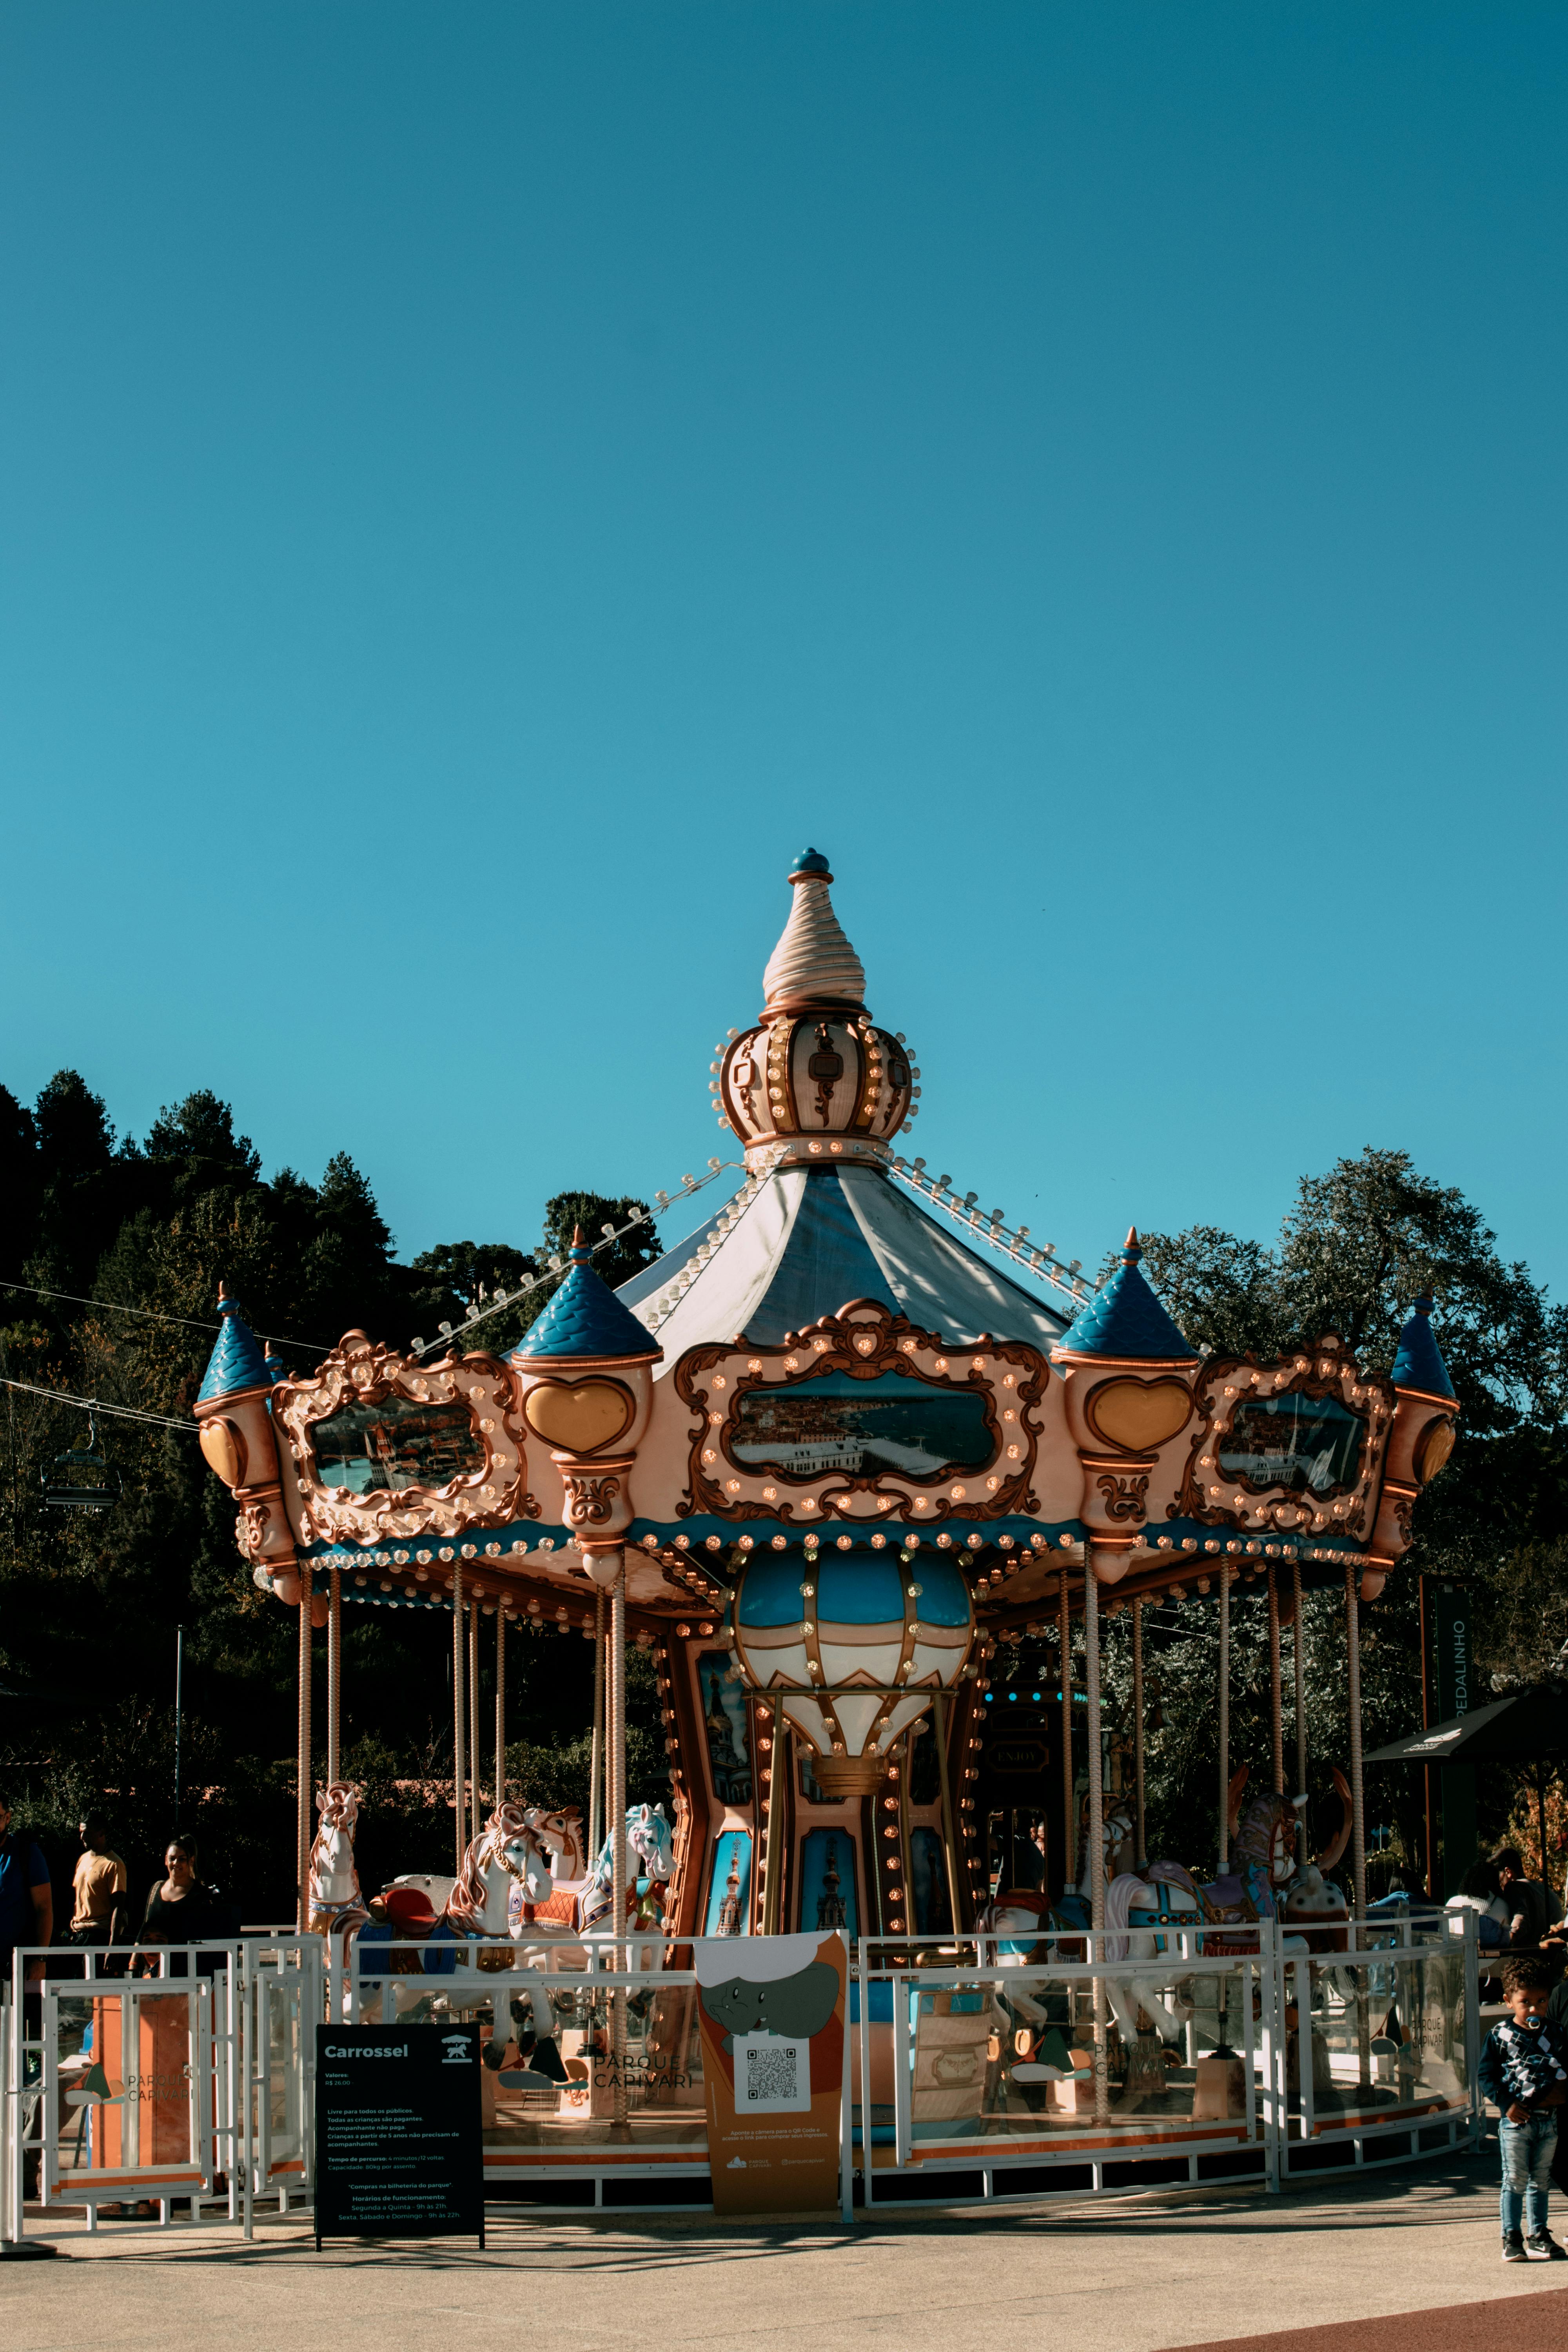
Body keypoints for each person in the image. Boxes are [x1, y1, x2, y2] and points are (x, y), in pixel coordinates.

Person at [1478, 1955, 1568, 2261]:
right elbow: (1486, 2075)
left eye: (1541, 2001)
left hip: (1549, 2121)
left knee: (1540, 2179)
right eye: (1525, 2002)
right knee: (1515, 2178)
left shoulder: (1555, 2033)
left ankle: (1539, 2234)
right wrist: (1506, 2105)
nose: (1534, 2009)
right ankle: (1511, 2237)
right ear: (1508, 2001)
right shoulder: (1500, 2035)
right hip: (1517, 2121)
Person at [134, 1836, 232, 1974]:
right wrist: (134, 1959)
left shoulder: (202, 1895)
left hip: (188, 1970)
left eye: (182, 1859)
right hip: (154, 1970)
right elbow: (145, 1925)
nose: (176, 1863)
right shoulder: (156, 1887)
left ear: (191, 1861)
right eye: (172, 1858)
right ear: (166, 1859)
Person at [0, 1791, 52, 1984]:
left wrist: (40, 1959)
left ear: (8, 1818)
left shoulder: (26, 1853)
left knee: (16, 2015)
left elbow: (44, 1908)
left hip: (15, 1969)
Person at [68, 1814, 129, 1949]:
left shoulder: (114, 1864)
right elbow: (78, 1900)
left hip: (99, 1935)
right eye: (81, 1833)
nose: (82, 1837)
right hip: (78, 1934)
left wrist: (113, 1947)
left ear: (101, 1833)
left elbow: (118, 1907)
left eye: (87, 1833)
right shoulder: (82, 1860)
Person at [1493, 1848, 1553, 1950]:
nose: (1500, 1887)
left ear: (1508, 1872)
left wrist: (1506, 1941)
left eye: (1499, 1881)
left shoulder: (1513, 1886)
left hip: (1532, 1956)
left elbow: (1521, 1918)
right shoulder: (1542, 1888)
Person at [1446, 1860, 1510, 1953]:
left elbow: (1448, 1936)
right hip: (1495, 1960)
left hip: (1463, 1956)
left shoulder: (1454, 1902)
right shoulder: (1503, 1905)